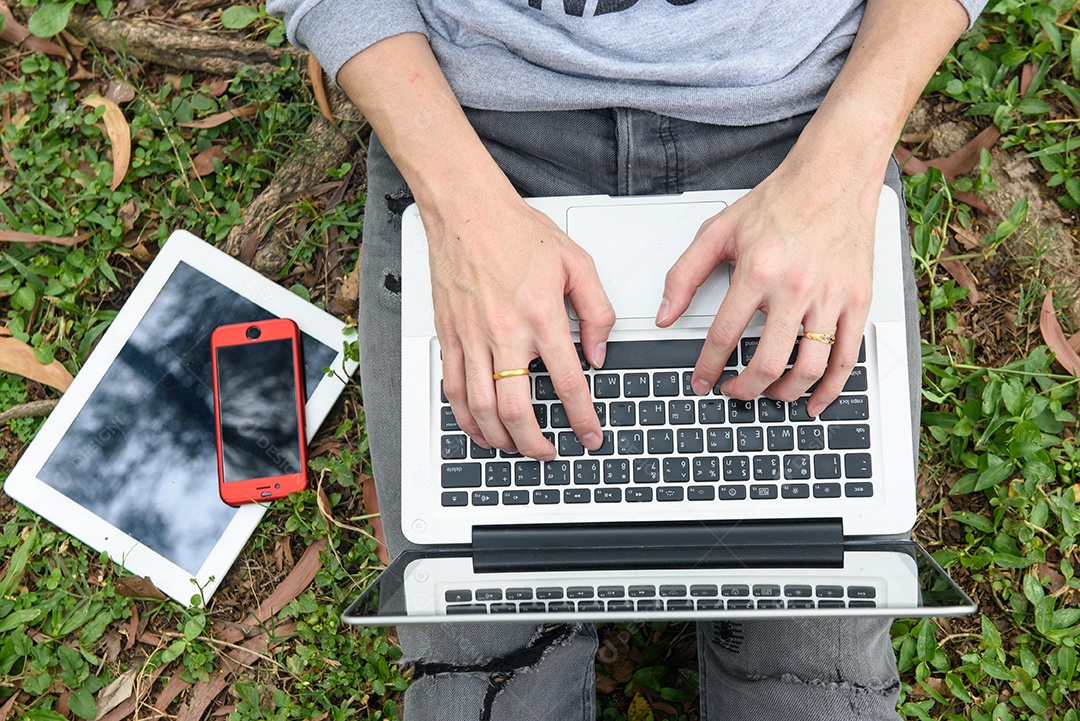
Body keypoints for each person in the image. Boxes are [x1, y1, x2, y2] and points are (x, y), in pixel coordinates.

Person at [267, 2, 986, 718]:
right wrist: (462, 212)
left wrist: (841, 169)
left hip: (799, 129)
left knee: (817, 689)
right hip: (467, 128)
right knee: (479, 680)